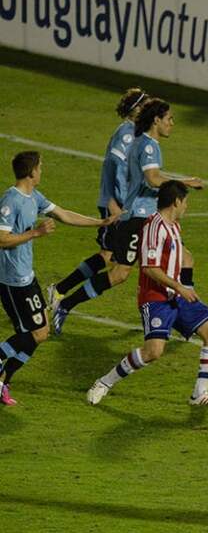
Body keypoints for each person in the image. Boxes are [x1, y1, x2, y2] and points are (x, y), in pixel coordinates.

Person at [50, 98, 203, 334]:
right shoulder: (148, 146)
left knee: (185, 259)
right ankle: (65, 304)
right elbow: (153, 179)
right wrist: (185, 182)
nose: (172, 123)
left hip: (151, 218)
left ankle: (186, 312)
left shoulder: (143, 141)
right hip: (138, 219)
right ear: (157, 120)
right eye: (169, 118)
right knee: (120, 273)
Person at [86, 181, 208, 407]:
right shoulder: (154, 227)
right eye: (185, 202)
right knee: (153, 352)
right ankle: (104, 382)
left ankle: (199, 393)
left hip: (177, 295)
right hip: (155, 298)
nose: (186, 206)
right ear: (176, 201)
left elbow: (184, 257)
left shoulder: (174, 226)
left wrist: (187, 286)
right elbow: (149, 267)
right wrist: (180, 287)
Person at [0, 151, 116, 405]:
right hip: (12, 281)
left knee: (40, 333)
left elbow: (63, 214)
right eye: (40, 167)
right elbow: (2, 238)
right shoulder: (11, 200)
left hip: (27, 277)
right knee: (33, 333)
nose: (42, 171)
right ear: (31, 172)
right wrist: (36, 233)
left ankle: (3, 380)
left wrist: (100, 222)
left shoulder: (34, 196)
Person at [47, 87, 146, 321]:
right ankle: (62, 297)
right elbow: (112, 165)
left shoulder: (136, 133)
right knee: (116, 264)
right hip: (117, 204)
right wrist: (113, 202)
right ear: (135, 110)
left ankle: (59, 290)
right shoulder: (127, 134)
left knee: (108, 254)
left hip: (123, 204)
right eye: (145, 105)